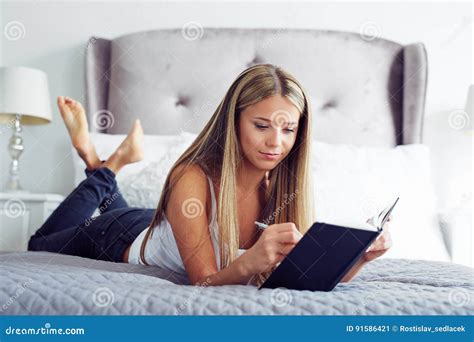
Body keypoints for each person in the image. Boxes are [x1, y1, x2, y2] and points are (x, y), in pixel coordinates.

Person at [28, 64, 393, 287]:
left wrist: (359, 257)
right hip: (115, 236)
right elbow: (203, 281)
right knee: (37, 246)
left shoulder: (282, 187)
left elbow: (301, 276)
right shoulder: (192, 177)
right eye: (261, 125)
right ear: (233, 122)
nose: (276, 143)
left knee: (126, 213)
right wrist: (250, 261)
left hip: (167, 227)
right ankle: (104, 165)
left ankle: (103, 162)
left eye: (288, 130)